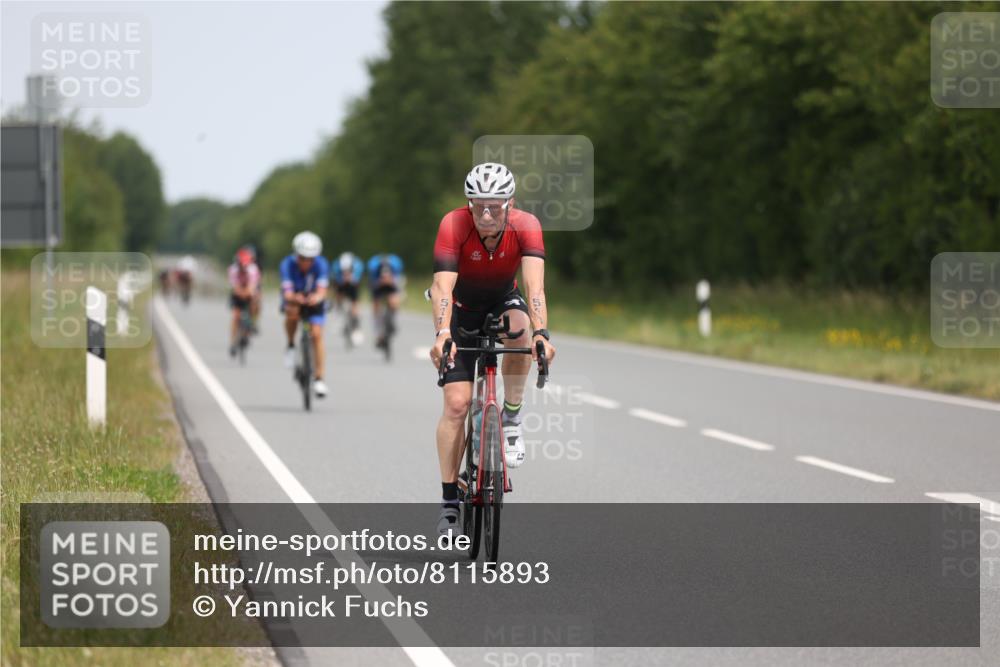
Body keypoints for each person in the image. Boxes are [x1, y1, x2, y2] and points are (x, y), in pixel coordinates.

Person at [428, 162, 555, 537]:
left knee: (520, 331)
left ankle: (512, 418)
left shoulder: (526, 225)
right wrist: (442, 333)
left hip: (503, 300)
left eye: (495, 206)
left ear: (510, 203)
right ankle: (450, 502)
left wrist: (542, 333)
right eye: (478, 205)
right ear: (468, 203)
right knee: (456, 404)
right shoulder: (453, 224)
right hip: (461, 310)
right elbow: (442, 288)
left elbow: (534, 289)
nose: (486, 214)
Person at [280, 231, 330, 398]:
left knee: (316, 334)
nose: (306, 262)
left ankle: (319, 378)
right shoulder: (287, 264)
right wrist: (295, 297)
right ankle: (290, 345)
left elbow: (322, 290)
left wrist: (317, 297)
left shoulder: (322, 264)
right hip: (295, 296)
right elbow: (287, 292)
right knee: (292, 313)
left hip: (313, 298)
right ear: (296, 255)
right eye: (302, 258)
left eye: (310, 259)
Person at [366, 252, 405, 351]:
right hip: (377, 285)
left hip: (392, 284)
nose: (385, 277)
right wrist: (379, 283)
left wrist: (393, 284)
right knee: (376, 305)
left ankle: (392, 319)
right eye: (383, 276)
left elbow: (399, 283)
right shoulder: (374, 269)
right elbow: (372, 285)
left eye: (387, 275)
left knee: (394, 300)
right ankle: (378, 333)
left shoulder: (395, 266)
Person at [228, 247, 261, 357]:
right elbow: (235, 287)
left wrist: (248, 293)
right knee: (236, 316)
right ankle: (233, 342)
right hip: (238, 292)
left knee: (255, 302)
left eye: (245, 265)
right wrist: (241, 293)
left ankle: (251, 323)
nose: (243, 267)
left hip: (249, 291)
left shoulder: (253, 269)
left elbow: (252, 287)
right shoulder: (233, 269)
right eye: (241, 265)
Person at [333, 251, 364, 344]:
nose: (346, 272)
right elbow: (335, 280)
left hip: (353, 284)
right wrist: (341, 281)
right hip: (340, 283)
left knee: (355, 303)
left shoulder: (357, 266)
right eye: (344, 271)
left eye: (348, 271)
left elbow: (357, 280)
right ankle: (339, 307)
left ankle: (356, 323)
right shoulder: (336, 266)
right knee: (338, 294)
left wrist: (351, 279)